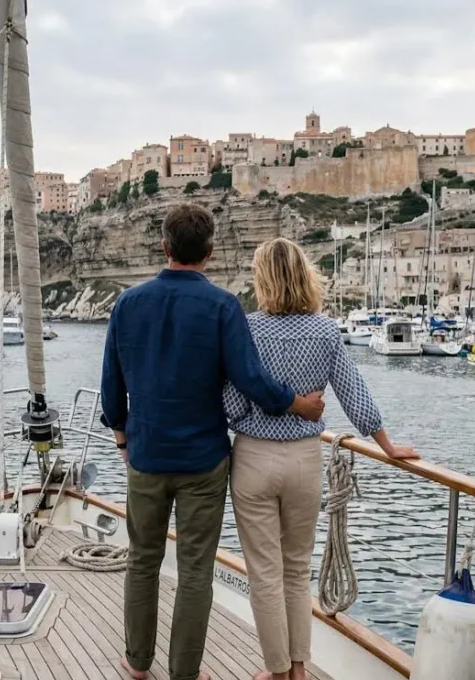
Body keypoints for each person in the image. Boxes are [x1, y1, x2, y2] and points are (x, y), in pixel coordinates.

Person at [100, 204, 327, 680]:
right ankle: (186, 673)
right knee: (196, 569)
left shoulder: (127, 303)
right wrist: (297, 405)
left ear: (164, 247)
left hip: (145, 456)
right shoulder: (223, 306)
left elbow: (111, 383)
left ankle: (137, 663)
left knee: (142, 560)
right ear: (210, 252)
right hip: (204, 460)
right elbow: (250, 380)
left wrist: (123, 437)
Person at [225, 238, 419, 680]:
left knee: (265, 574)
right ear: (305, 274)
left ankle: (275, 673)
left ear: (263, 279)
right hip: (305, 461)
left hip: (254, 459)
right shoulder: (326, 331)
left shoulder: (247, 330)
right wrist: (387, 445)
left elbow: (232, 405)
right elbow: (356, 397)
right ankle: (299, 670)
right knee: (296, 571)